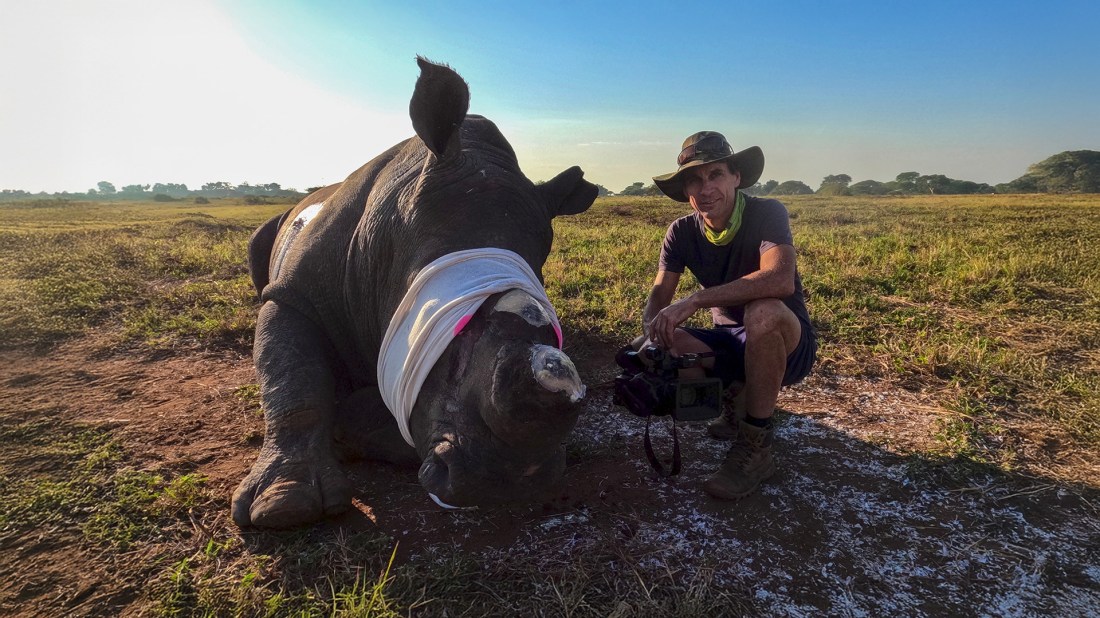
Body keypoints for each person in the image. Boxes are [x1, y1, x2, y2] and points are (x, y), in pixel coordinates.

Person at [640, 131, 816, 500]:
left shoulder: (767, 212)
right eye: (694, 179)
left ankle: (756, 446)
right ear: (685, 188)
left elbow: (779, 279)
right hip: (729, 341)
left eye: (715, 175)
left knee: (763, 312)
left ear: (736, 177)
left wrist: (698, 299)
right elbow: (660, 295)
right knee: (667, 340)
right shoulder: (681, 231)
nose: (706, 189)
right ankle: (735, 402)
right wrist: (650, 338)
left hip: (786, 341)